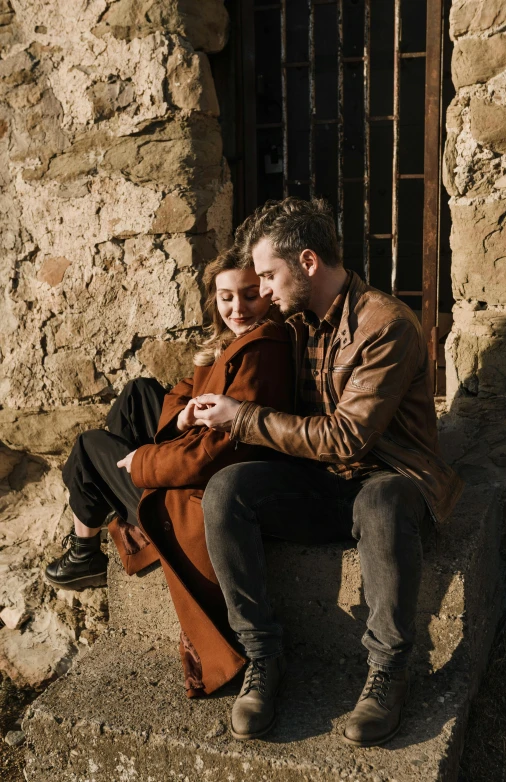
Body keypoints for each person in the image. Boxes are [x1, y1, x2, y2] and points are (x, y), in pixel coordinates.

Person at [191, 198, 465, 746]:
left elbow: (347, 437)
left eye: (268, 275)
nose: (261, 289)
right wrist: (187, 401)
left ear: (308, 262)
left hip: (391, 473)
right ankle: (263, 656)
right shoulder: (290, 319)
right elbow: (223, 354)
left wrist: (241, 418)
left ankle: (388, 671)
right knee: (226, 491)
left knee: (380, 504)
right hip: (320, 480)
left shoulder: (386, 324)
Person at [45, 249, 294, 695]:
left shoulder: (261, 349)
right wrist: (179, 418)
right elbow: (187, 390)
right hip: (199, 452)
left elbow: (212, 454)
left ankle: (86, 548)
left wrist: (141, 463)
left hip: (205, 490)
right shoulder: (233, 341)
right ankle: (112, 531)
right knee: (140, 393)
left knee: (89, 447)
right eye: (225, 298)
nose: (237, 308)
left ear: (270, 292)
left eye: (251, 295)